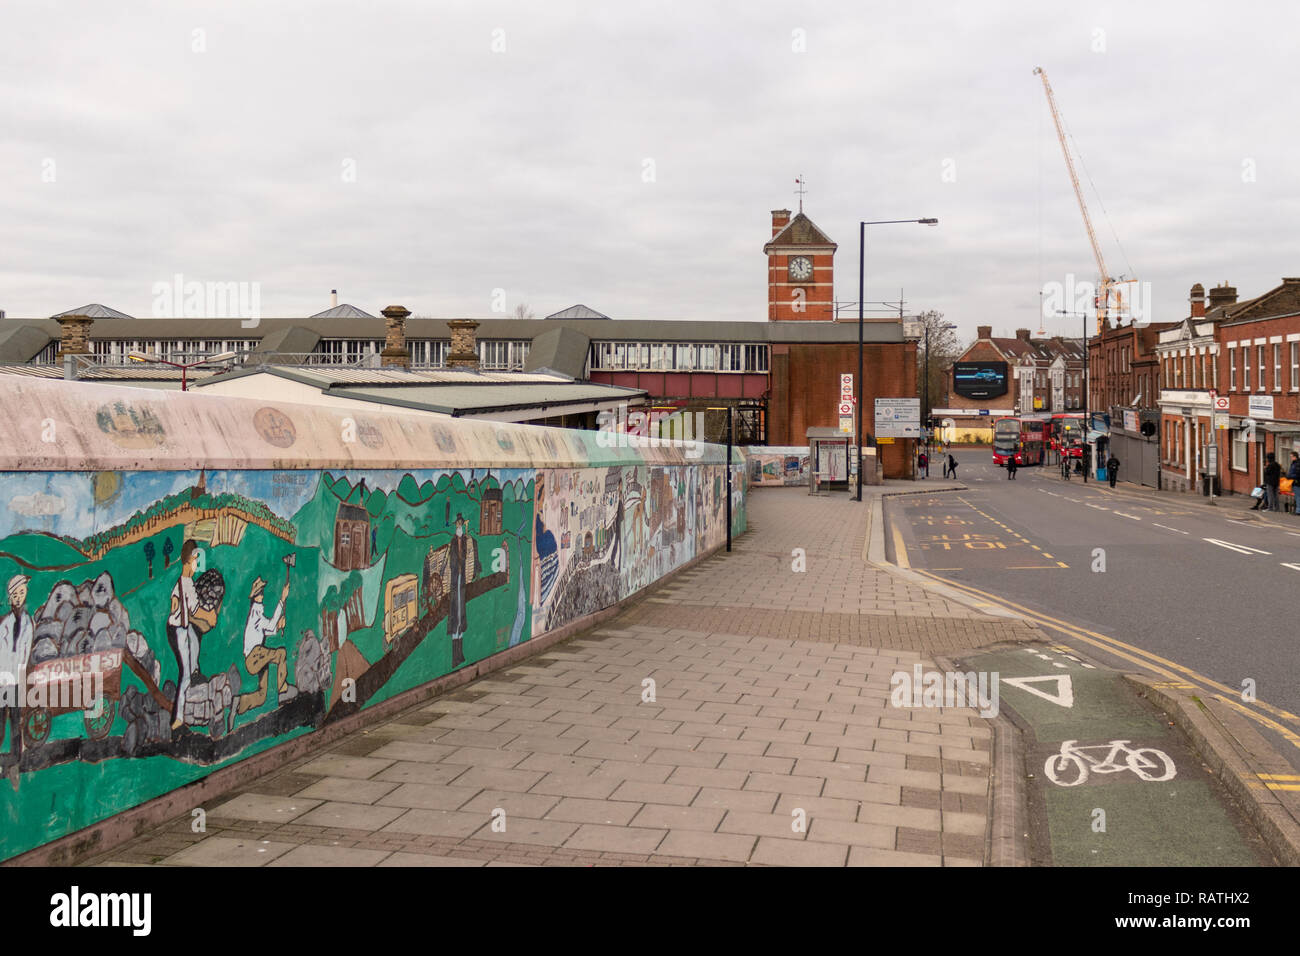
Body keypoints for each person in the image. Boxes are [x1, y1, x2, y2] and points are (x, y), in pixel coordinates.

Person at [236, 576, 294, 715]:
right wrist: (282, 599)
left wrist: (278, 626)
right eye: (259, 593)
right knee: (281, 654)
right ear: (255, 597)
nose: (262, 595)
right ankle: (283, 690)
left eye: (262, 592)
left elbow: (267, 629)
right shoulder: (256, 612)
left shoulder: (257, 613)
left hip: (257, 656)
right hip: (255, 655)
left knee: (262, 696)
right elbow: (269, 624)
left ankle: (239, 704)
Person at [0, 574, 34, 786]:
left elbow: (24, 654)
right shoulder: (5, 623)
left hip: (15, 681)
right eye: (15, 594)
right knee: (0, 722)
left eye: (22, 593)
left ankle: (14, 764)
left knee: (15, 723)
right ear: (10, 597)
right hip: (3, 680)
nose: (19, 597)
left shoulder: (29, 624)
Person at [167, 540, 202, 730]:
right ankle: (179, 717)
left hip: (182, 627)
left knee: (195, 641)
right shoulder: (186, 584)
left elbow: (176, 600)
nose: (197, 564)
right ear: (189, 560)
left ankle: (195, 669)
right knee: (185, 674)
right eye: (196, 559)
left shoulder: (186, 582)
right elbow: (195, 610)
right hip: (178, 629)